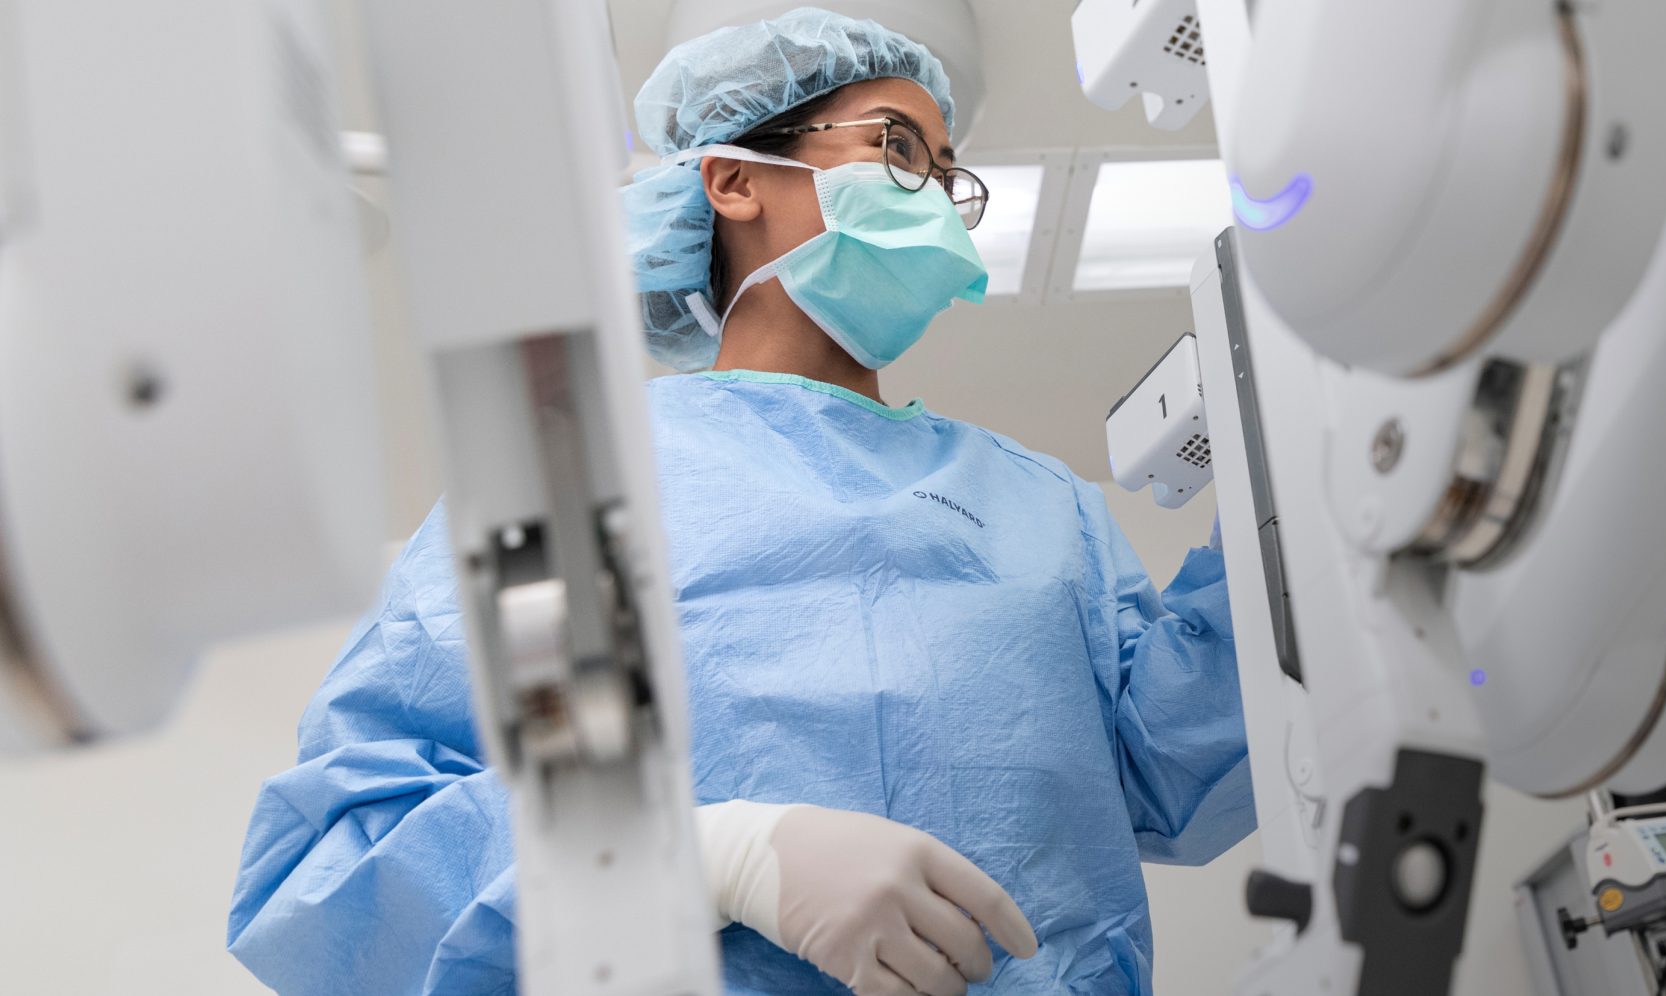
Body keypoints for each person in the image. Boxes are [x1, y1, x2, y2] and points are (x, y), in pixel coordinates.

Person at [226, 10, 1253, 995]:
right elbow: (341, 859)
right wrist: (705, 855)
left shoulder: (1042, 506)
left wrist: (1284, 485)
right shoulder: (578, 490)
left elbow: (1178, 767)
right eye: (896, 149)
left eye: (948, 177)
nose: (933, 198)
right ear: (731, 181)